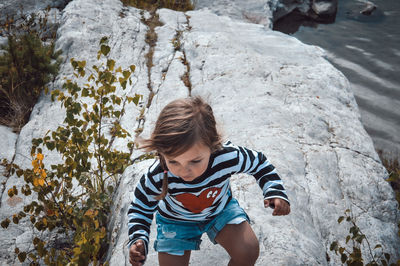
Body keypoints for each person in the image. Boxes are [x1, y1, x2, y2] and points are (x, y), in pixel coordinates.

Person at [128, 96, 290, 266]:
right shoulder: (158, 174)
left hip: (219, 212)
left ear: (212, 145)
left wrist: (275, 191)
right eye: (173, 161)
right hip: (175, 222)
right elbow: (140, 207)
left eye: (195, 161)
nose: (184, 170)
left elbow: (260, 163)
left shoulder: (226, 156)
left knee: (248, 250)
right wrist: (138, 239)